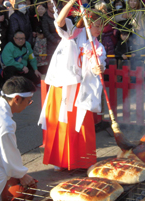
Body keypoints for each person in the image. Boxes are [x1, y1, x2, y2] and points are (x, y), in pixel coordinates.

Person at [38, 0, 106, 171]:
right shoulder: (73, 34)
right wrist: (71, 3)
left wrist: (100, 67)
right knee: (60, 124)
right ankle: (60, 160)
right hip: (64, 86)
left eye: (102, 26)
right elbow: (59, 22)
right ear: (89, 24)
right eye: (97, 25)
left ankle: (82, 160)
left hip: (81, 90)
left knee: (81, 126)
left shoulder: (99, 46)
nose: (100, 29)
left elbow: (99, 65)